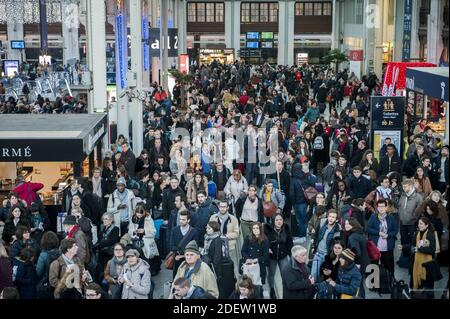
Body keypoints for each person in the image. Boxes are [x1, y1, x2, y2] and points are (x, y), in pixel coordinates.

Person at [264, 213, 293, 299]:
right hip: (272, 257)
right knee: (271, 274)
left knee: (285, 274)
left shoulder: (286, 229)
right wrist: (267, 248)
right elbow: (264, 241)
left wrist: (291, 255)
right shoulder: (267, 229)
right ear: (273, 221)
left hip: (283, 256)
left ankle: (286, 290)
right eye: (277, 220)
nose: (279, 222)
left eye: (280, 219)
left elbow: (290, 243)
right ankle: (272, 290)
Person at [366, 199, 398, 276]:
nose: (381, 208)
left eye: (383, 206)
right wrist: (378, 233)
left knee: (388, 265)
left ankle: (389, 281)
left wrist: (388, 235)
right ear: (377, 207)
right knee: (374, 265)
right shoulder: (373, 217)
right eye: (379, 206)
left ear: (386, 207)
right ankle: (374, 284)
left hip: (387, 246)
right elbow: (368, 228)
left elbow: (395, 230)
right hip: (375, 246)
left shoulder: (391, 218)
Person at [209, 201, 240, 276]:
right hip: (216, 247)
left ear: (227, 208)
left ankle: (233, 282)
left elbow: (237, 233)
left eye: (224, 207)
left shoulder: (233, 219)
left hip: (229, 247)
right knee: (217, 266)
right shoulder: (213, 217)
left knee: (231, 267)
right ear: (218, 207)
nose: (222, 208)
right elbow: (209, 230)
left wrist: (226, 236)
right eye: (221, 207)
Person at [310, 209, 342, 282]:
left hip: (327, 255)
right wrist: (313, 245)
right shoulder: (322, 221)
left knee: (325, 275)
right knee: (314, 274)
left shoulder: (338, 228)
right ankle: (311, 290)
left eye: (333, 217)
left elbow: (336, 243)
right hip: (318, 253)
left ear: (336, 219)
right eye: (330, 216)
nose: (331, 218)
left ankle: (320, 290)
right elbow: (314, 233)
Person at [411, 217, 438, 299]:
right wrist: (404, 247)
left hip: (427, 264)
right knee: (417, 283)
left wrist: (419, 249)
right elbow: (412, 245)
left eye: (421, 224)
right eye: (419, 223)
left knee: (427, 285)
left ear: (426, 225)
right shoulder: (417, 233)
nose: (419, 225)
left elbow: (432, 249)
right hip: (417, 262)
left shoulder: (430, 234)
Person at [398, 179, 423, 265]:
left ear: (411, 186)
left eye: (405, 187)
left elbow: (420, 212)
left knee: (412, 241)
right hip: (402, 223)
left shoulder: (418, 197)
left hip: (412, 224)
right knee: (403, 240)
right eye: (403, 187)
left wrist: (414, 220)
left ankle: (412, 259)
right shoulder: (403, 195)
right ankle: (404, 259)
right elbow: (400, 206)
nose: (403, 188)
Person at [290, 163, 317, 242]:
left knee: (300, 220)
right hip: (306, 202)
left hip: (297, 203)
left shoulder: (293, 179)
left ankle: (302, 236)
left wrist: (292, 205)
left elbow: (292, 193)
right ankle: (304, 234)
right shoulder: (305, 176)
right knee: (304, 219)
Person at [169, 210, 201, 277]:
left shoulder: (194, 232)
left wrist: (183, 255)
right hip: (177, 260)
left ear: (188, 220)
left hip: (190, 260)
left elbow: (195, 248)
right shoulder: (175, 230)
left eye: (183, 220)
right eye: (180, 219)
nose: (181, 221)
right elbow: (171, 245)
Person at [202, 221, 224, 295]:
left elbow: (217, 256)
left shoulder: (217, 240)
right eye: (206, 228)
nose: (207, 230)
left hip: (213, 267)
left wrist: (213, 267)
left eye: (209, 228)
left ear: (214, 229)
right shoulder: (207, 237)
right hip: (207, 264)